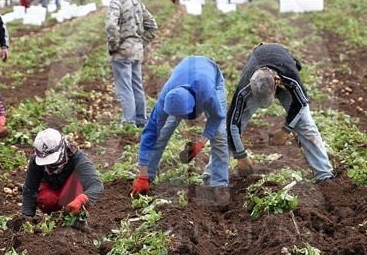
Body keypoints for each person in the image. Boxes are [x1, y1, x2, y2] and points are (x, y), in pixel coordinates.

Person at [132, 56, 230, 207]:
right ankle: (148, 178)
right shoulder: (166, 98)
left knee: (220, 135)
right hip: (184, 75)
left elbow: (216, 118)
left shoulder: (207, 93)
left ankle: (219, 183)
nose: (181, 120)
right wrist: (142, 175)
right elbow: (149, 133)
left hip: (211, 76)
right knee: (162, 133)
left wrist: (200, 144)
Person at [228, 43, 334, 182]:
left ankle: (324, 174)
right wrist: (240, 156)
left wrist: (286, 130)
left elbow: (301, 103)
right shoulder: (245, 88)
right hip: (258, 76)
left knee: (306, 126)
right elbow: (231, 124)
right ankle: (215, 176)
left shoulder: (290, 77)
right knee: (233, 127)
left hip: (282, 74)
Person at [106, 0, 158, 126]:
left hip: (122, 52)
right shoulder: (136, 1)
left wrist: (114, 46)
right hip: (136, 51)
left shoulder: (116, 2)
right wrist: (141, 43)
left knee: (125, 87)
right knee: (136, 85)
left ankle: (128, 122)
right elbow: (152, 26)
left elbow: (111, 26)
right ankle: (141, 119)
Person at [21, 128, 103, 218]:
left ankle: (75, 217)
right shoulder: (35, 161)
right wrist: (27, 216)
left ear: (62, 149)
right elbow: (30, 188)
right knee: (46, 199)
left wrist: (82, 199)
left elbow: (96, 185)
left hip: (71, 193)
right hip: (52, 191)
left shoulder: (77, 158)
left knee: (78, 188)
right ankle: (57, 217)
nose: (49, 164)